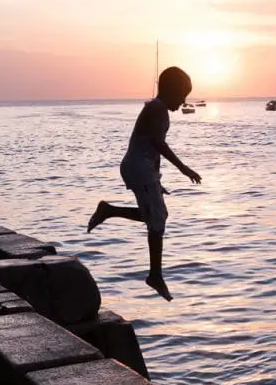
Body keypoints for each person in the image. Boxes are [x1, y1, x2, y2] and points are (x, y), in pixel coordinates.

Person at [86, 66, 201, 301]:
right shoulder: (158, 109)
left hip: (141, 168)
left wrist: (157, 183)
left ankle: (109, 210)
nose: (183, 102)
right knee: (157, 219)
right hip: (138, 167)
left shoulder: (157, 109)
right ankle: (155, 275)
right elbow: (159, 145)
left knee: (158, 215)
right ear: (170, 90)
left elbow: (152, 149)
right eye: (182, 96)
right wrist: (183, 168)